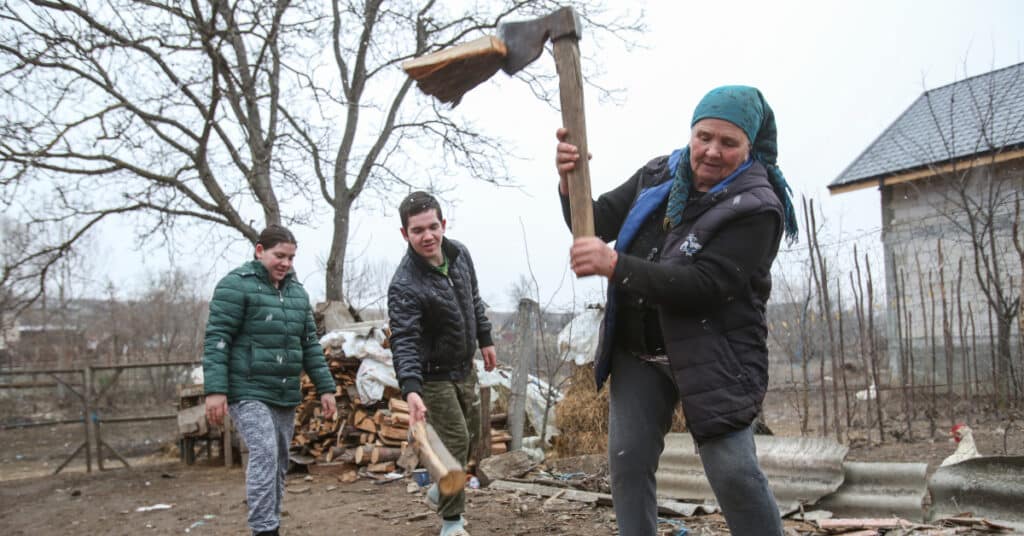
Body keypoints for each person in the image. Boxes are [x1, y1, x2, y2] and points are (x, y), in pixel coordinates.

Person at [555, 85, 798, 536]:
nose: (711, 151)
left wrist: (615, 266)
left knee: (733, 473)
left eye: (729, 143)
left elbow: (705, 285)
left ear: (750, 148)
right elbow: (595, 221)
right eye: (704, 136)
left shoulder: (758, 207)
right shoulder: (657, 175)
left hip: (715, 354)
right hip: (639, 349)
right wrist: (570, 185)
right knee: (627, 462)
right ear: (691, 132)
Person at [202, 224, 337, 536]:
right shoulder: (236, 286)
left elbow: (310, 346)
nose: (285, 264)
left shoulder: (296, 293)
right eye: (279, 256)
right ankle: (263, 530)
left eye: (291, 258)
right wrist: (215, 390)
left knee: (278, 461)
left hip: (284, 390)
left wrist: (327, 387)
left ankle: (271, 523)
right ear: (259, 251)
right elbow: (217, 338)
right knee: (264, 451)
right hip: (246, 388)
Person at [387, 191, 497, 536]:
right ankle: (452, 523)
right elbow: (403, 340)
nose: (428, 236)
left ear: (443, 224)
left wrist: (486, 338)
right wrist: (411, 389)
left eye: (433, 226)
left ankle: (439, 491)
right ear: (405, 234)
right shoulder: (405, 283)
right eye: (417, 230)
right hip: (432, 376)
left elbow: (473, 299)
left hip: (464, 365)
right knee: (452, 442)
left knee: (470, 439)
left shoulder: (459, 253)